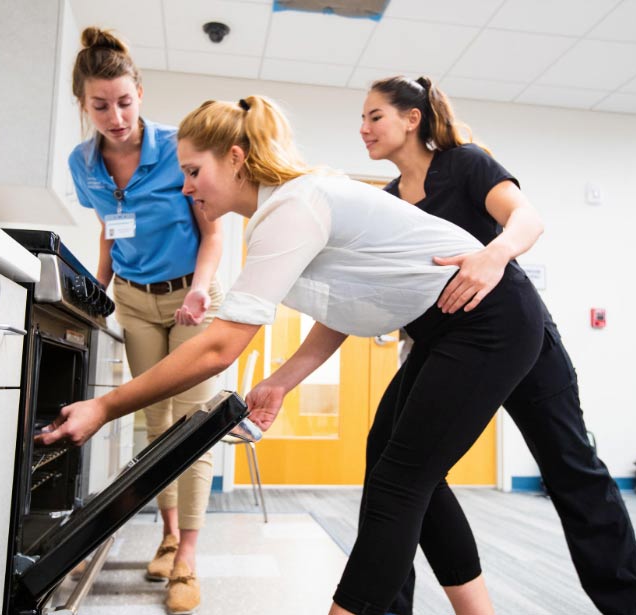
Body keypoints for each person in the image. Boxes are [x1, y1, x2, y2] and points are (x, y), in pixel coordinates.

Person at [37, 93, 546, 615]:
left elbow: (218, 347)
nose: (185, 187)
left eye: (192, 171)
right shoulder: (284, 209)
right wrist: (282, 381)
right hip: (448, 327)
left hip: (491, 320)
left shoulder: (293, 208)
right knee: (403, 469)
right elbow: (345, 309)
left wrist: (104, 406)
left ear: (235, 158)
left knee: (399, 481)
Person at [360, 75, 636, 615]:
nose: (363, 129)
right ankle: (383, 603)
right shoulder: (388, 203)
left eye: (374, 116)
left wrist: (493, 255)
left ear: (412, 118)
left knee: (573, 471)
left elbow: (527, 218)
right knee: (393, 462)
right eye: (362, 120)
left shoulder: (466, 163)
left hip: (519, 339)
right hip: (445, 343)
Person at [67, 27, 224, 614]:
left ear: (140, 93)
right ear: (83, 104)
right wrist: (98, 289)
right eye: (100, 105)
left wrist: (204, 290)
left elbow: (213, 231)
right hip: (134, 300)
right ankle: (163, 535)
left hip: (192, 296)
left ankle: (187, 556)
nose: (115, 115)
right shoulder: (82, 164)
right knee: (151, 420)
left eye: (125, 101)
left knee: (194, 420)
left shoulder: (177, 147)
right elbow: (111, 225)